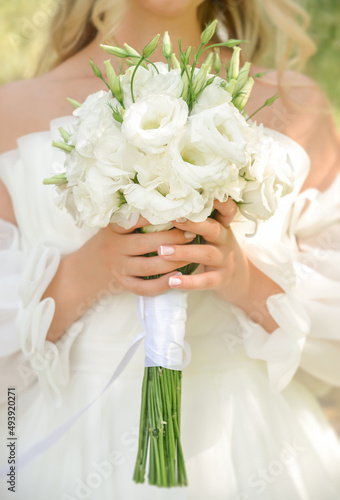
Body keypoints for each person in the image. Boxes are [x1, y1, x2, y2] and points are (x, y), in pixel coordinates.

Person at [0, 0, 340, 499]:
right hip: (69, 453)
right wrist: (85, 275)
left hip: (248, 448)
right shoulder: (13, 111)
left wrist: (244, 280)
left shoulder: (295, 104)